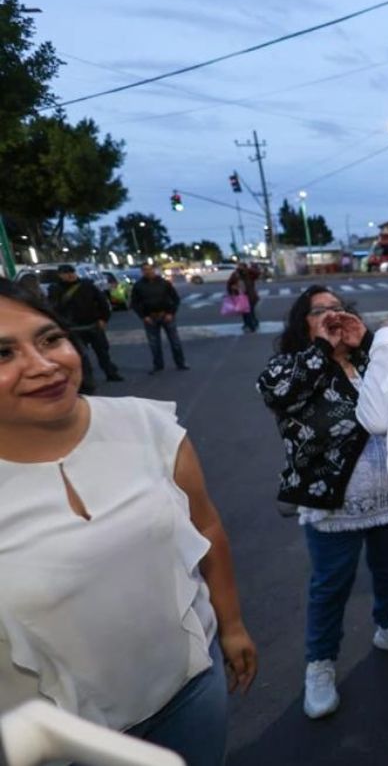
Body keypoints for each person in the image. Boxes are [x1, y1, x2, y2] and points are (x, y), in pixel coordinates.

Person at [0, 279, 256, 765]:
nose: (43, 365)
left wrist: (233, 626)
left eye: (50, 338)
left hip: (191, 691)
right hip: (59, 740)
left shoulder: (148, 426)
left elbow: (207, 531)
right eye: (2, 354)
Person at [256, 287, 388, 720]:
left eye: (340, 308)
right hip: (332, 503)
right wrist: (322, 347)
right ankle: (320, 664)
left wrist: (368, 342)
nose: (333, 314)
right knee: (331, 585)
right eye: (321, 311)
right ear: (304, 322)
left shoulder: (367, 360)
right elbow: (280, 394)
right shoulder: (290, 367)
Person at [48, 264, 123, 383]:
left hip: (93, 325)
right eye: (66, 273)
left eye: (72, 272)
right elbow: (53, 309)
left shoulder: (87, 285)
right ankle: (87, 380)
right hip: (73, 328)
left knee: (103, 351)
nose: (70, 275)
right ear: (60, 275)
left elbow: (102, 302)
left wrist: (104, 319)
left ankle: (110, 373)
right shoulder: (55, 289)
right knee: (81, 356)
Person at [129, 263, 188, 373]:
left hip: (166, 315)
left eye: (150, 269)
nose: (148, 272)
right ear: (142, 272)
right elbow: (135, 303)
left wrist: (171, 313)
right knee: (154, 344)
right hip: (150, 318)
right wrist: (143, 316)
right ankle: (158, 365)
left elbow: (175, 299)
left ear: (154, 270)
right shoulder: (138, 286)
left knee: (175, 341)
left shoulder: (164, 283)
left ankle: (180, 363)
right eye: (145, 270)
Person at [226, 262, 261, 333]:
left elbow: (258, 273)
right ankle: (249, 323)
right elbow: (229, 283)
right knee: (245, 312)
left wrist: (247, 270)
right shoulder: (235, 275)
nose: (240, 268)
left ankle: (252, 326)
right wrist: (231, 291)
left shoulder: (249, 274)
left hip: (251, 296)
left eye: (242, 267)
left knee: (249, 312)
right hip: (240, 296)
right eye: (239, 266)